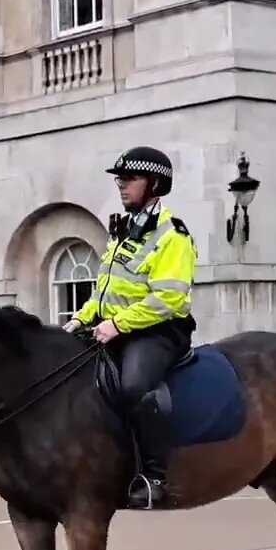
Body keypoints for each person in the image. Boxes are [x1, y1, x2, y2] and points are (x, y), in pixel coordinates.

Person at [63, 146, 197, 510]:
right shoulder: (125, 231)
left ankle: (155, 477)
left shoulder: (173, 236)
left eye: (129, 179)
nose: (121, 185)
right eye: (119, 179)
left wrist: (118, 325)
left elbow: (166, 299)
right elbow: (104, 290)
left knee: (134, 385)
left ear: (154, 183)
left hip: (158, 331)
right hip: (114, 327)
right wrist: (80, 318)